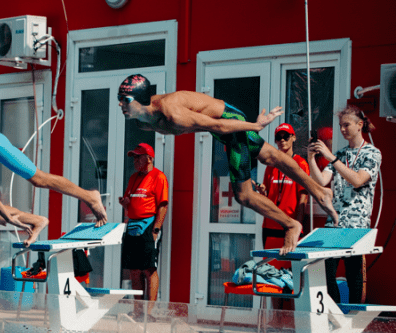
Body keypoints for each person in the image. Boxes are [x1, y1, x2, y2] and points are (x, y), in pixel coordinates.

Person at [117, 73, 338, 255]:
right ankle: (319, 191)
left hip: (228, 124)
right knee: (270, 156)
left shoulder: (172, 113)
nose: (121, 105)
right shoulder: (141, 122)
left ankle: (291, 224)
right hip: (223, 130)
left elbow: (219, 126)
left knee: (244, 195)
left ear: (142, 100)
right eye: (120, 99)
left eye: (125, 100)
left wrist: (255, 125)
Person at [307, 106, 381, 305]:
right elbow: (321, 181)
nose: (342, 129)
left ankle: (353, 321)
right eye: (340, 126)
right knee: (326, 271)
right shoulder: (341, 153)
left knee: (353, 274)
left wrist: (331, 157)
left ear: (359, 125)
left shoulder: (372, 153)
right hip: (335, 222)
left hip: (357, 225)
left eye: (346, 125)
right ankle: (337, 315)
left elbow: (358, 180)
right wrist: (311, 158)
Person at [118, 143, 168, 311]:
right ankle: (138, 310)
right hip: (132, 226)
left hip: (149, 226)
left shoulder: (158, 177)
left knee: (149, 269)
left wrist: (156, 229)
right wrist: (125, 204)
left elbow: (163, 205)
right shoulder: (133, 177)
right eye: (134, 157)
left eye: (138, 157)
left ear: (149, 158)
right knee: (134, 270)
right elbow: (129, 202)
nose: (135, 160)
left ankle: (149, 312)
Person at [256, 123, 309, 251]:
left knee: (288, 268)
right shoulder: (271, 164)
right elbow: (267, 196)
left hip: (289, 225)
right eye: (278, 138)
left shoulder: (301, 163)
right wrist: (262, 192)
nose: (282, 140)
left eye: (286, 136)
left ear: (294, 138)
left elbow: (303, 197)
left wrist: (299, 225)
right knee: (269, 268)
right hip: (270, 224)